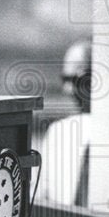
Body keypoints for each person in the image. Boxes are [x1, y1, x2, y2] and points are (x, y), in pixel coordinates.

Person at [38, 40, 92, 207]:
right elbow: (40, 198)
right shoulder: (58, 132)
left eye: (76, 79)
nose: (67, 90)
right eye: (65, 79)